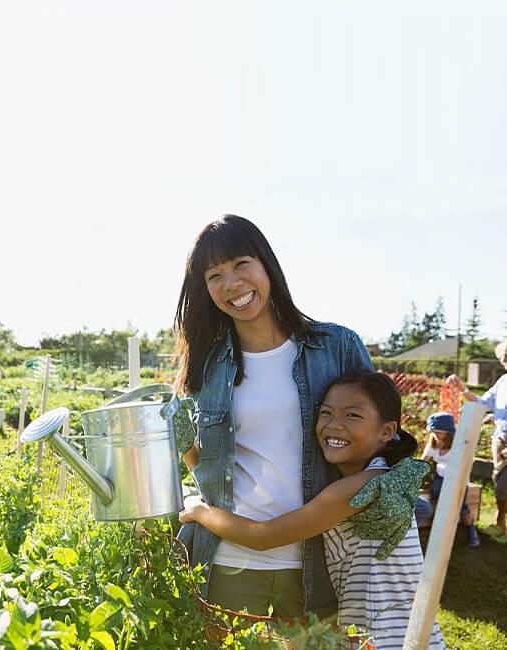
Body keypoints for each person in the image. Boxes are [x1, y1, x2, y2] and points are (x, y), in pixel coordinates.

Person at [172, 215, 424, 619]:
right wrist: (189, 453)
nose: (231, 284)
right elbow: (208, 465)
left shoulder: (336, 346)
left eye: (241, 265)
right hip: (229, 561)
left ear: (266, 265)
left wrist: (394, 479)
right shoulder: (207, 364)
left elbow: (375, 431)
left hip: (318, 564)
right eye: (214, 275)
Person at [180, 370, 444, 649]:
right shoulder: (378, 479)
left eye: (352, 415)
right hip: (385, 633)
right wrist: (190, 450)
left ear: (387, 431)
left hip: (392, 639)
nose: (334, 425)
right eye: (326, 413)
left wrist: (200, 511)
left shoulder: (359, 490)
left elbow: (263, 536)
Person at [447, 339, 507, 533]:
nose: (506, 361)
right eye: (504, 358)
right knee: (500, 481)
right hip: (501, 438)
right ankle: (501, 520)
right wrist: (462, 388)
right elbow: (481, 403)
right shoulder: (503, 382)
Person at [417, 412, 480, 547]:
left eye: (439, 431)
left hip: (457, 479)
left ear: (448, 432)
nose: (435, 434)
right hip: (441, 477)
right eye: (433, 431)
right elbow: (423, 461)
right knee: (437, 497)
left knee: (460, 506)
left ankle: (471, 532)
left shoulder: (458, 445)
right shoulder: (433, 443)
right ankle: (438, 531)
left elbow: (466, 463)